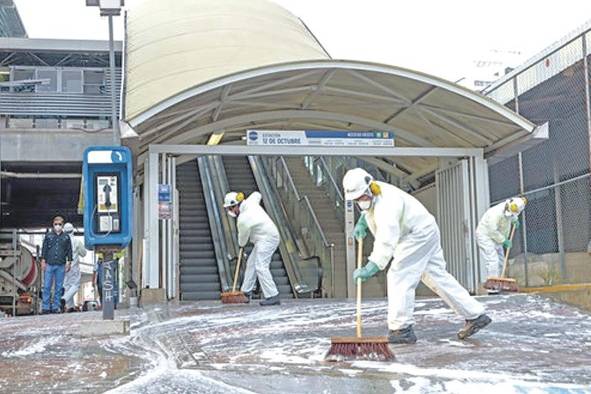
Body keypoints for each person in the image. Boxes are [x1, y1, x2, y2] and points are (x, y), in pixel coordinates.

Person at [344, 168, 491, 343]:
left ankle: (401, 329)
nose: (360, 201)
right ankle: (475, 314)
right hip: (424, 228)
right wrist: (363, 221)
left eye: (362, 197)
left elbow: (386, 240)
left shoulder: (388, 204)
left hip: (417, 234)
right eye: (356, 200)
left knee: (399, 274)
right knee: (436, 276)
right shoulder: (375, 194)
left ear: (371, 189)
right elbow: (371, 210)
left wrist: (372, 266)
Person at [224, 191, 281, 306]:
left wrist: (241, 244)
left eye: (230, 209)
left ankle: (272, 295)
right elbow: (257, 194)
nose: (230, 212)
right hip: (265, 238)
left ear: (236, 206)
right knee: (251, 263)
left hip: (267, 239)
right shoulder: (250, 202)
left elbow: (242, 240)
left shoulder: (243, 219)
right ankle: (246, 292)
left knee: (261, 266)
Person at [476, 197, 527, 285]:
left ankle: (499, 283)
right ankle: (493, 286)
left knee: (501, 261)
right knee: (493, 260)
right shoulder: (495, 213)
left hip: (497, 236)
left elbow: (512, 215)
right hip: (486, 236)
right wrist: (504, 241)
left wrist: (514, 220)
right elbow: (492, 230)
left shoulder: (512, 208)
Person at [41, 215, 72, 314]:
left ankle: (56, 306)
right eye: (56, 224)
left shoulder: (66, 237)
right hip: (49, 264)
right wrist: (43, 261)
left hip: (61, 264)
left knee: (58, 287)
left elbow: (69, 251)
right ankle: (45, 307)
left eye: (59, 224)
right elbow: (44, 249)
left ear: (62, 225)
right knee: (46, 286)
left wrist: (69, 262)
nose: (57, 226)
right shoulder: (48, 236)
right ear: (53, 225)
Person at [61, 223, 87, 313]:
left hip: (63, 267)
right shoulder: (76, 241)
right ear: (73, 231)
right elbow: (84, 253)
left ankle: (70, 307)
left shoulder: (61, 241)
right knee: (75, 286)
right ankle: (64, 299)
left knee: (67, 287)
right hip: (73, 267)